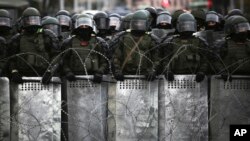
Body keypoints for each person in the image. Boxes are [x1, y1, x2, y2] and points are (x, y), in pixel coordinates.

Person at [8, 7, 60, 84]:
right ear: (23, 22)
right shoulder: (17, 39)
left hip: (44, 76)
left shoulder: (47, 36)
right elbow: (11, 58)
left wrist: (50, 72)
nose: (32, 23)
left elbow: (56, 56)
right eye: (29, 20)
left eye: (35, 20)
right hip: (23, 77)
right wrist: (14, 72)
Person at [112, 10, 160, 81]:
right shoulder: (124, 37)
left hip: (145, 76)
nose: (139, 25)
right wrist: (117, 71)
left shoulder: (150, 39)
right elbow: (117, 57)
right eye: (137, 23)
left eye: (141, 23)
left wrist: (152, 71)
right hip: (126, 75)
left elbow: (156, 58)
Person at [161, 13, 209, 82]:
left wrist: (202, 72)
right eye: (184, 25)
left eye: (189, 25)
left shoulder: (200, 42)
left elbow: (205, 60)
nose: (186, 27)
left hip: (195, 77)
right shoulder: (172, 41)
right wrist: (167, 71)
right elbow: (166, 59)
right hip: (175, 77)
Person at [62, 14, 108, 83]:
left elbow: (104, 61)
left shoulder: (98, 42)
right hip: (75, 79)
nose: (84, 28)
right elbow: (64, 61)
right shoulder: (69, 42)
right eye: (81, 26)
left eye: (86, 26)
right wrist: (68, 72)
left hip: (94, 78)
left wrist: (100, 72)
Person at [216, 15, 250, 81]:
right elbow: (217, 61)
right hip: (229, 82)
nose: (244, 31)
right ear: (231, 30)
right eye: (241, 28)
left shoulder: (248, 44)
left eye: (245, 28)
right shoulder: (225, 45)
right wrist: (223, 72)